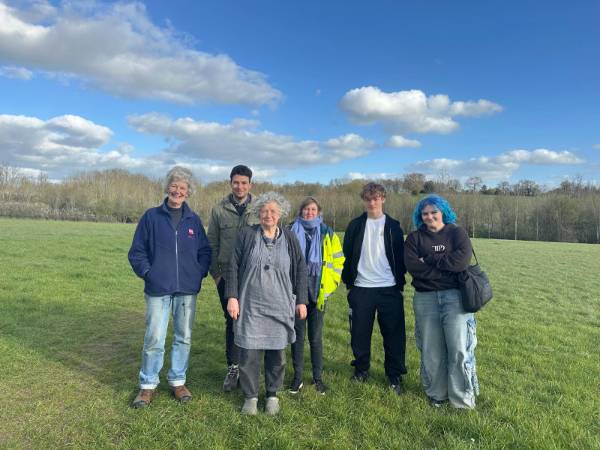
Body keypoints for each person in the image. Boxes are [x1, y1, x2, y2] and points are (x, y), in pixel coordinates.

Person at [128, 166, 211, 408]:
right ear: (167, 188)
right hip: (158, 289)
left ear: (188, 192)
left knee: (183, 337)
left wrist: (197, 273)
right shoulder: (151, 217)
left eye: (183, 187)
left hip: (187, 290)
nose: (177, 191)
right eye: (174, 185)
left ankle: (178, 381)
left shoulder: (194, 220)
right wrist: (148, 274)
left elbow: (205, 251)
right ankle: (148, 385)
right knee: (154, 337)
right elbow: (137, 252)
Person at [225, 192, 308, 415]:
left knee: (277, 353)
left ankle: (272, 394)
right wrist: (232, 296)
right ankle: (250, 396)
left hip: (280, 305)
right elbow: (233, 265)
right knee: (249, 353)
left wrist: (301, 300)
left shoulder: (289, 238)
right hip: (250, 304)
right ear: (258, 213)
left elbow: (301, 268)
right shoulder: (246, 235)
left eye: (273, 211)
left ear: (280, 214)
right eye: (264, 211)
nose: (268, 215)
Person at [404, 194, 479, 409]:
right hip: (425, 299)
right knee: (431, 350)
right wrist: (444, 267)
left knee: (459, 349)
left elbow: (460, 263)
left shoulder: (457, 233)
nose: (429, 217)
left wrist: (428, 259)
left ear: (443, 212)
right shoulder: (414, 238)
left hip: (455, 298)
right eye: (425, 214)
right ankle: (437, 395)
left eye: (433, 212)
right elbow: (413, 267)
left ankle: (462, 400)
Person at [341, 182, 407, 394]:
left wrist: (400, 284)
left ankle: (394, 375)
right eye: (368, 199)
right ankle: (361, 369)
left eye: (376, 198)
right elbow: (346, 255)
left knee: (394, 335)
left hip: (389, 288)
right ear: (364, 201)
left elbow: (401, 257)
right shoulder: (355, 225)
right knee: (359, 334)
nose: (372, 203)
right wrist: (349, 284)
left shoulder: (394, 226)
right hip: (361, 288)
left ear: (383, 199)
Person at [207, 165, 258, 392]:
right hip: (226, 276)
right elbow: (211, 244)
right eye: (236, 182)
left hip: (253, 276)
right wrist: (217, 276)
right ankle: (233, 368)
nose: (240, 187)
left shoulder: (259, 209)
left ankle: (250, 369)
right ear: (230, 183)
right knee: (232, 321)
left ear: (250, 184)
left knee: (252, 321)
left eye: (244, 183)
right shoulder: (219, 210)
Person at [288, 197, 344, 395]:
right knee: (297, 337)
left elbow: (338, 262)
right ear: (301, 211)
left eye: (313, 209)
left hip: (318, 293)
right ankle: (297, 378)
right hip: (296, 294)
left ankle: (318, 378)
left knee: (316, 337)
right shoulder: (290, 231)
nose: (309, 212)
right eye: (306, 209)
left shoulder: (328, 233)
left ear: (319, 212)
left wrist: (329, 287)